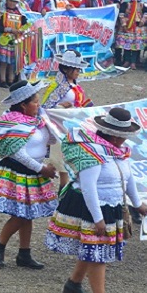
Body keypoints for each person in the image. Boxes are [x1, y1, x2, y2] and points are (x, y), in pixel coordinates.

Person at [46, 107, 147, 293]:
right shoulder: (92, 152)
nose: (125, 140)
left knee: (93, 249)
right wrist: (97, 218)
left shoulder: (118, 152)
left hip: (110, 206)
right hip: (93, 206)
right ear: (112, 134)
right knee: (98, 254)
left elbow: (127, 179)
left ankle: (73, 284)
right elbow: (88, 187)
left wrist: (137, 204)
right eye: (122, 136)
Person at [0, 80, 58, 269]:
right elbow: (18, 153)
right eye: (35, 102)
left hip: (34, 171)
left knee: (27, 214)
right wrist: (42, 169)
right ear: (23, 104)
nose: (38, 105)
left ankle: (24, 254)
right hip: (19, 172)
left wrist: (49, 124)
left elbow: (54, 140)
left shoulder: (37, 121)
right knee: (20, 214)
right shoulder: (14, 123)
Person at [40, 50, 92, 189]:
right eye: (76, 69)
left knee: (68, 163)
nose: (78, 71)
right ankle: (62, 194)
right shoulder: (58, 87)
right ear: (67, 69)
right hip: (60, 130)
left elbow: (82, 102)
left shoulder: (74, 85)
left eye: (78, 68)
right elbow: (45, 108)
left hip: (73, 128)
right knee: (62, 165)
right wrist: (60, 107)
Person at [116, 0, 147, 69]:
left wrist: (143, 21)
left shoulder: (143, 0)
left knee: (135, 44)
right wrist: (123, 24)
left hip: (138, 26)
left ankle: (133, 62)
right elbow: (121, 12)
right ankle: (127, 60)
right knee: (127, 43)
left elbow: (146, 12)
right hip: (128, 24)